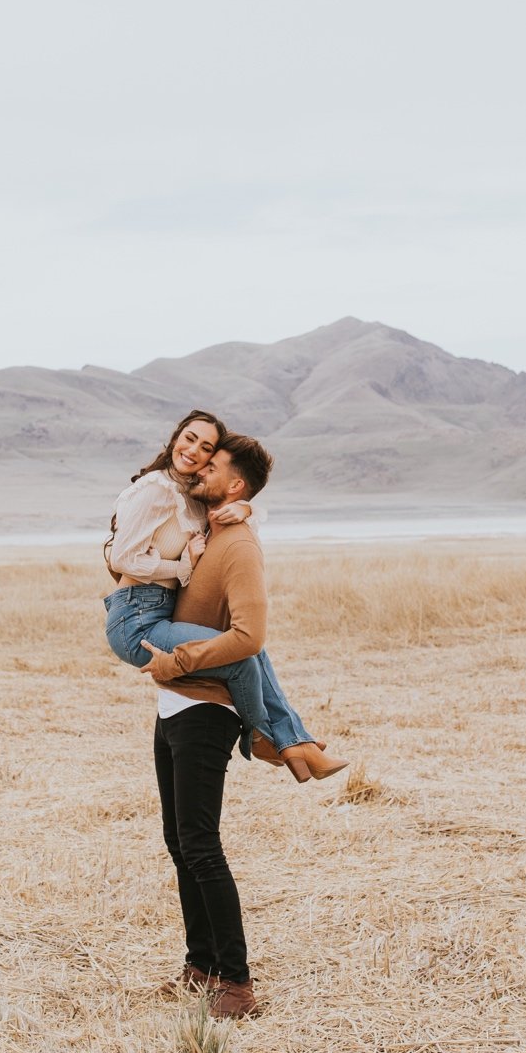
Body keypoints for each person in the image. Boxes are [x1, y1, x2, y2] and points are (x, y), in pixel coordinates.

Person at [137, 432, 302, 1018]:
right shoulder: (207, 527)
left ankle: (237, 983)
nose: (200, 468)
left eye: (214, 464)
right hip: (174, 703)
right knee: (180, 842)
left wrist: (179, 659)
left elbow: (249, 637)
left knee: (202, 845)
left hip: (208, 707)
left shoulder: (239, 547)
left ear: (235, 484)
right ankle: (201, 966)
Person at [102, 410, 344, 782]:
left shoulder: (191, 494)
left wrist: (247, 506)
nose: (194, 452)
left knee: (251, 648)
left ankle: (297, 741)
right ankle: (264, 737)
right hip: (135, 619)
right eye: (190, 438)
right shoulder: (155, 489)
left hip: (158, 612)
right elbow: (121, 558)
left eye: (207, 449)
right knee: (243, 660)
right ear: (175, 437)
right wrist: (182, 568)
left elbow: (234, 507)